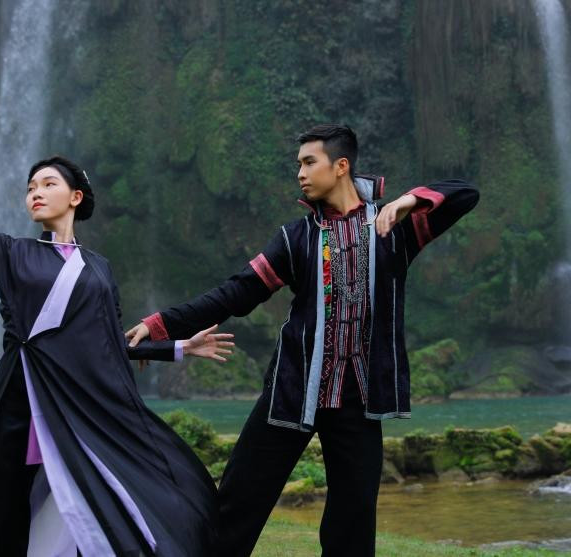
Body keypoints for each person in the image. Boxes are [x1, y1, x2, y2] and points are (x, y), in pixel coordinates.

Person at [0, 89, 233, 557]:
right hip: (18, 402)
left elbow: (105, 344)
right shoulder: (11, 252)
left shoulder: (99, 268)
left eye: (47, 184)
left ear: (75, 197)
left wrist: (177, 348)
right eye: (30, 188)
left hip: (77, 407)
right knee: (5, 510)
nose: (35, 193)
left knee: (90, 503)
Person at [126, 124, 480, 556]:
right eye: (299, 164)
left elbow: (466, 193)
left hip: (359, 400)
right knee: (236, 508)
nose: (300, 173)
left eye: (310, 162)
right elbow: (236, 292)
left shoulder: (394, 229)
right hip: (291, 391)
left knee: (353, 526)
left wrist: (409, 200)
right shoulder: (296, 239)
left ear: (341, 166)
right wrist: (160, 324)